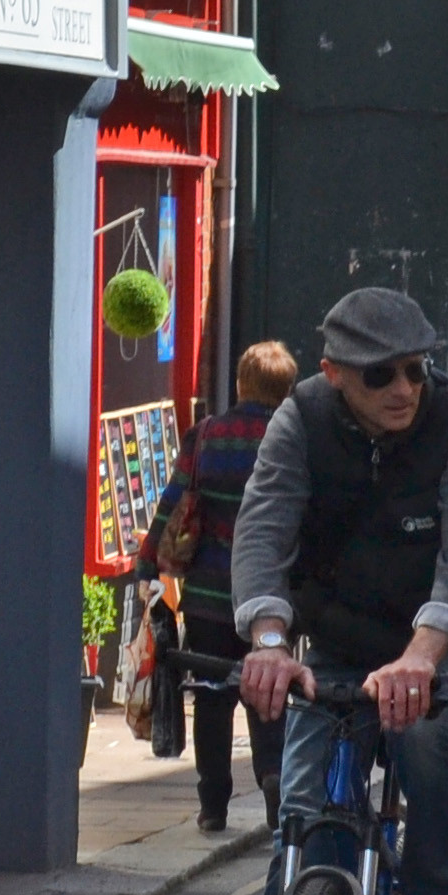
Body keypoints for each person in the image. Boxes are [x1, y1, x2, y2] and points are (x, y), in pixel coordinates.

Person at [230, 286, 448, 895]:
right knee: (302, 819)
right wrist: (267, 638)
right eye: (381, 374)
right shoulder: (301, 418)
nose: (404, 388)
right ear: (334, 373)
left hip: (445, 640)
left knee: (419, 737)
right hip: (343, 642)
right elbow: (262, 530)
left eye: (415, 369)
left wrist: (421, 655)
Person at [151, 340, 295, 833]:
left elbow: (174, 502)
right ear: (287, 388)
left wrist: (150, 562)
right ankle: (274, 779)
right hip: (272, 599)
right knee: (270, 691)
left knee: (213, 698)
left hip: (210, 596)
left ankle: (214, 805)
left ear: (240, 384)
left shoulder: (207, 435)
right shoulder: (291, 436)